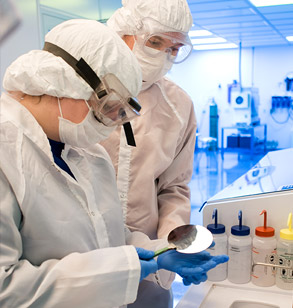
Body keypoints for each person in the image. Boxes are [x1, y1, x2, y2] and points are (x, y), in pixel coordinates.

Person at [0, 19, 228, 308]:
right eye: (107, 106)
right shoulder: (6, 153)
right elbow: (6, 289)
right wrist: (126, 268)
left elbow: (108, 235)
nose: (109, 123)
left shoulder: (87, 153)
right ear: (62, 80)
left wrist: (157, 252)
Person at [100, 0, 197, 306]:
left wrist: (170, 249)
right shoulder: (79, 96)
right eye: (154, 42)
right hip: (82, 260)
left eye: (174, 49)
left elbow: (174, 189)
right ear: (122, 33)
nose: (163, 57)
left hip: (150, 268)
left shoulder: (179, 107)